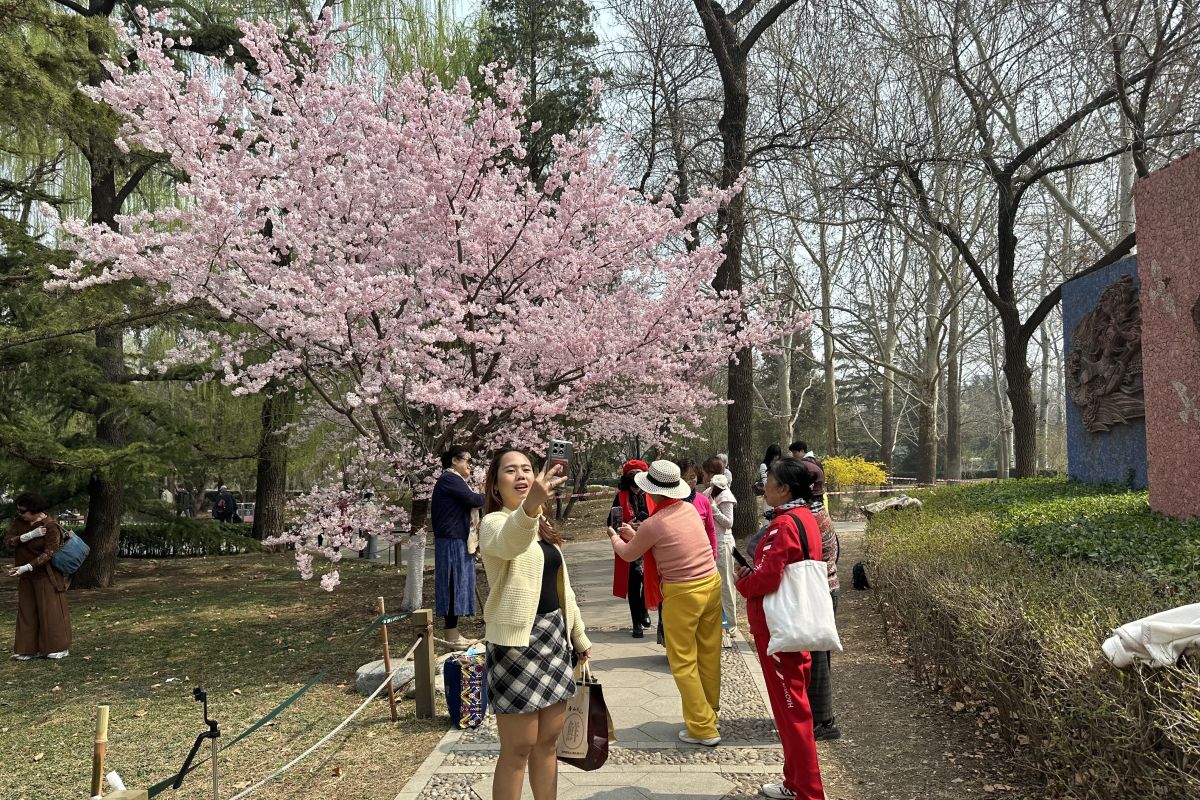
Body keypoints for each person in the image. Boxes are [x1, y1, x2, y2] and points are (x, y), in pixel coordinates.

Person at [479, 449, 591, 800]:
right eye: (510, 471)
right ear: (496, 486)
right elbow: (511, 542)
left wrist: (579, 636)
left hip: (553, 638)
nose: (521, 476)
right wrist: (530, 508)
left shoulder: (541, 525)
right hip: (516, 643)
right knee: (518, 748)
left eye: (527, 468)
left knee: (548, 742)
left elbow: (563, 588)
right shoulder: (495, 523)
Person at [608, 460, 723, 746]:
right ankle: (710, 712)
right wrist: (636, 536)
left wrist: (614, 537)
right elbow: (661, 542)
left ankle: (702, 727)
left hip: (683, 592)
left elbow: (627, 553)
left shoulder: (654, 522)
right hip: (711, 582)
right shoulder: (687, 509)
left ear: (651, 492)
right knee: (708, 654)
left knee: (682, 660)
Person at [735, 458, 828, 800]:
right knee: (793, 710)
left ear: (785, 487)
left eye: (769, 481)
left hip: (778, 628)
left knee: (793, 715)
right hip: (793, 622)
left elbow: (768, 577)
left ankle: (810, 792)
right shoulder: (806, 517)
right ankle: (794, 782)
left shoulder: (784, 524)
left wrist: (744, 583)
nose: (765, 488)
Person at [788, 441, 840, 740]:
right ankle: (819, 716)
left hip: (817, 592)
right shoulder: (815, 511)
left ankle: (823, 721)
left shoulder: (807, 516)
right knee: (818, 660)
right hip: (823, 589)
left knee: (817, 662)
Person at [6, 492, 72, 660]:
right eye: (18, 511)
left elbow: (49, 553)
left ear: (34, 510)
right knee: (27, 611)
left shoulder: (51, 526)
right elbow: (9, 541)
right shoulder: (20, 522)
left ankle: (58, 646)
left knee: (50, 611)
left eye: (23, 511)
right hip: (26, 576)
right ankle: (27, 648)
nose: (20, 514)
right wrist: (29, 535)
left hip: (46, 575)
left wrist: (26, 567)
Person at [432, 446, 485, 646]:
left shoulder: (455, 481)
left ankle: (453, 633)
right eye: (467, 460)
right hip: (452, 539)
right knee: (453, 583)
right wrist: (487, 493)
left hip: (454, 538)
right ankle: (452, 635)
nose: (470, 465)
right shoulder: (450, 479)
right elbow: (473, 500)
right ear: (455, 460)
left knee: (456, 584)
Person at [611, 460, 654, 638]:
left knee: (649, 580)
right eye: (632, 485)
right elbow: (611, 523)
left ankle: (644, 609)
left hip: (649, 545)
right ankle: (636, 622)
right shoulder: (620, 496)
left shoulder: (651, 495)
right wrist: (625, 525)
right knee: (633, 584)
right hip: (629, 546)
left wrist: (645, 524)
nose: (636, 489)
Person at [703, 458, 739, 637]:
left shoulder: (725, 495)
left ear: (711, 473)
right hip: (710, 543)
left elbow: (729, 523)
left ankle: (731, 624)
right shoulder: (708, 492)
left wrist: (714, 509)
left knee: (726, 584)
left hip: (723, 542)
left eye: (704, 472)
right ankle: (716, 621)